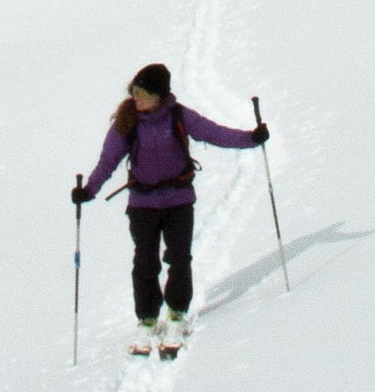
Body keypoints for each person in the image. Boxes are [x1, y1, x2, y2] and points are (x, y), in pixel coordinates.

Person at [75, 64, 267, 355]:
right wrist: (89, 190)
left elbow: (214, 133)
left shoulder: (179, 116)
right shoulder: (128, 122)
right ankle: (147, 318)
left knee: (179, 258)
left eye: (141, 93)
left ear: (159, 95)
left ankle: (176, 313)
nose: (135, 98)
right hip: (143, 205)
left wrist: (250, 139)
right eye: (133, 92)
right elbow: (108, 160)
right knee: (145, 262)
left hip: (179, 200)